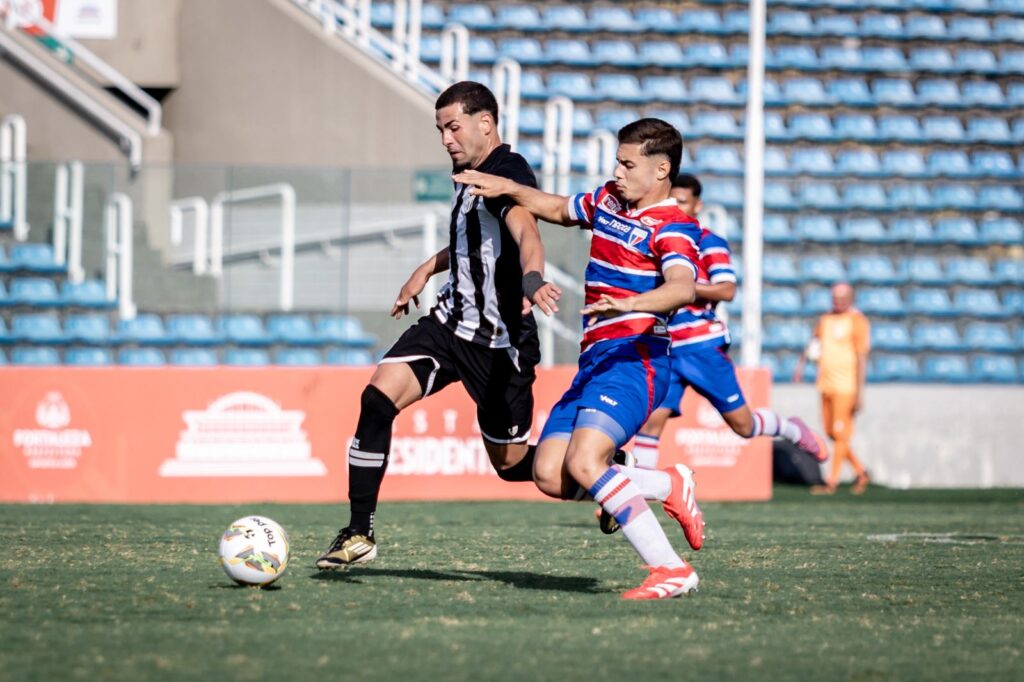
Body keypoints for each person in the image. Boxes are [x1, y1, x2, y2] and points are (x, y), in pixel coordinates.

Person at [455, 118, 707, 600]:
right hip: (594, 362)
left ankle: (670, 569)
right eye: (617, 160)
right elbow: (555, 207)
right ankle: (667, 483)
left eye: (627, 164)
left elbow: (682, 286)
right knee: (550, 474)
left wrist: (630, 304)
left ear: (661, 171)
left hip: (637, 360)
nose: (617, 171)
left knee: (588, 462)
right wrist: (506, 186)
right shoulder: (608, 202)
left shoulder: (676, 226)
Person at [316, 81, 562, 569]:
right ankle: (358, 532)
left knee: (514, 467)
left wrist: (533, 280)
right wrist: (428, 267)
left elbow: (526, 232)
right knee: (376, 399)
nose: (446, 139)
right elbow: (477, 241)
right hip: (449, 326)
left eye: (453, 127)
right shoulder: (469, 172)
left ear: (485, 124)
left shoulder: (505, 175)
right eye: (440, 130)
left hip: (499, 344)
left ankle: (607, 477)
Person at [609, 174, 823, 511]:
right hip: (665, 345)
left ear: (697, 205)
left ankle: (791, 428)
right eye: (671, 200)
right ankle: (641, 494)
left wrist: (682, 288)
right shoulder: (656, 237)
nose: (675, 206)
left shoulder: (707, 241)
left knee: (743, 425)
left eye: (682, 201)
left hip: (701, 346)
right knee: (651, 422)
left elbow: (726, 289)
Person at [793, 282, 871, 495]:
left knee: (839, 433)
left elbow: (861, 356)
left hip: (846, 386)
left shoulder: (857, 321)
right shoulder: (825, 319)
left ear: (851, 299)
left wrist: (859, 392)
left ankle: (831, 481)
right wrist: (800, 366)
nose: (838, 302)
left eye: (842, 298)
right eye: (835, 298)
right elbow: (814, 343)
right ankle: (861, 471)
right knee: (832, 433)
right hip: (825, 383)